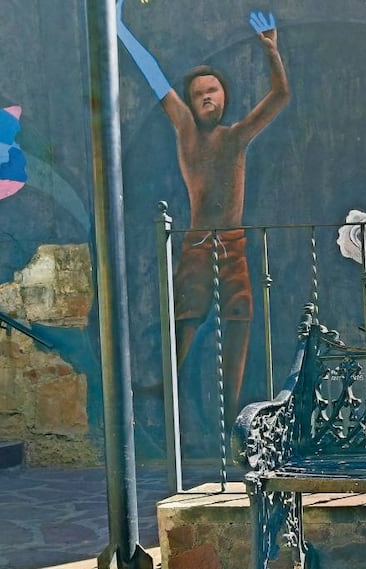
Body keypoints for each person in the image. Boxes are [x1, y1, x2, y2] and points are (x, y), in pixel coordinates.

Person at [117, 1, 290, 433]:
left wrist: (271, 50)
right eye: (198, 93)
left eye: (213, 90)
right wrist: (119, 29)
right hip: (196, 243)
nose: (207, 97)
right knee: (186, 318)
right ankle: (169, 395)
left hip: (233, 244)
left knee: (239, 318)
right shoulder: (186, 131)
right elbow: (154, 76)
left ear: (224, 97)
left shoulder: (236, 137)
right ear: (190, 103)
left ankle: (233, 420)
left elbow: (281, 96)